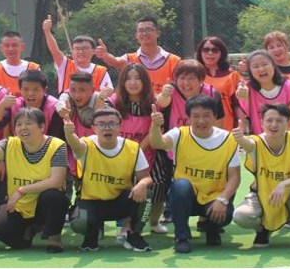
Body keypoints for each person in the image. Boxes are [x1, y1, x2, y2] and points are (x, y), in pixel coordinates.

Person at [0, 107, 70, 252]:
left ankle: (54, 239)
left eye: (28, 123)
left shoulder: (57, 145)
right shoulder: (9, 144)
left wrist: (22, 190)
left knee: (53, 196)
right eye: (19, 124)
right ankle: (26, 234)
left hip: (43, 204)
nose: (23, 128)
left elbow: (56, 181)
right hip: (18, 205)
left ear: (42, 127)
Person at [150, 94, 240, 254]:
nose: (201, 121)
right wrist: (156, 126)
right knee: (181, 186)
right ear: (189, 117)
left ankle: (212, 228)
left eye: (206, 116)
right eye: (196, 116)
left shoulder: (229, 139)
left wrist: (222, 200)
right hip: (185, 197)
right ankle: (182, 237)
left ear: (215, 116)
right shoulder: (179, 134)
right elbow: (157, 143)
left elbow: (235, 176)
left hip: (213, 197)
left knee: (225, 214)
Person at [233, 103, 290, 250]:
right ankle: (262, 229)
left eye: (279, 120)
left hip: (288, 195)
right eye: (269, 120)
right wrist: (240, 138)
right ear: (262, 123)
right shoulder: (256, 142)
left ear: (288, 123)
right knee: (241, 216)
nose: (274, 124)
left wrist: (283, 184)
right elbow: (248, 144)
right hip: (261, 197)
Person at [65, 107, 153, 252]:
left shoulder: (132, 148)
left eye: (112, 123)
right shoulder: (86, 145)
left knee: (147, 194)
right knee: (80, 222)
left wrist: (142, 184)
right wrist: (69, 134)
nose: (107, 128)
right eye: (101, 124)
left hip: (120, 201)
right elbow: (76, 145)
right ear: (93, 128)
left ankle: (133, 234)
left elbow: (146, 178)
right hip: (91, 202)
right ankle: (91, 235)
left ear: (120, 126)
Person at [110, 64, 166, 236]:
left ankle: (154, 222)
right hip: (120, 155)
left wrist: (137, 151)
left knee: (157, 186)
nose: (133, 83)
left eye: (137, 78)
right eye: (128, 78)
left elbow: (156, 129)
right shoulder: (114, 101)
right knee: (126, 189)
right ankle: (126, 225)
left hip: (149, 152)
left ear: (145, 81)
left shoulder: (154, 103)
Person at [97, 17, 181, 96]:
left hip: (165, 105)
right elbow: (116, 62)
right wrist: (105, 55)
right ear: (136, 35)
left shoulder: (174, 61)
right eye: (141, 31)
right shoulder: (130, 58)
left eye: (148, 30)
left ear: (158, 33)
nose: (144, 33)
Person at [43, 15, 113, 95]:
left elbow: (109, 91)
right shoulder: (65, 65)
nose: (81, 52)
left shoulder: (101, 71)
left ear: (93, 51)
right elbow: (55, 52)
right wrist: (47, 32)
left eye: (85, 48)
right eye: (77, 49)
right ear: (72, 51)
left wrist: (105, 92)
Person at [237, 49, 290, 134]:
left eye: (265, 64)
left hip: (286, 137)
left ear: (273, 65)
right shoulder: (247, 89)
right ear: (250, 71)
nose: (261, 69)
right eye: (255, 66)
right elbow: (240, 93)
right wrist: (241, 95)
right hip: (259, 139)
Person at [0, 68, 63, 138]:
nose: (30, 93)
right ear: (20, 90)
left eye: (36, 89)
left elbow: (57, 137)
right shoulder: (15, 104)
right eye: (26, 89)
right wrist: (1, 105)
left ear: (44, 90)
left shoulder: (54, 107)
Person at [157, 59, 225, 129]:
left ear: (201, 80)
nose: (186, 83)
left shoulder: (212, 93)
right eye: (182, 78)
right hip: (174, 135)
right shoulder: (171, 90)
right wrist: (164, 95)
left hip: (203, 135)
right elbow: (162, 103)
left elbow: (218, 124)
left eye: (191, 78)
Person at [195, 37, 242, 130]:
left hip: (226, 128)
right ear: (200, 52)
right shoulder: (194, 74)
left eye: (215, 50)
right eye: (206, 50)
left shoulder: (232, 76)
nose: (210, 53)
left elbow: (238, 105)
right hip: (198, 127)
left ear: (222, 53)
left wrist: (242, 126)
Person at [0, 31, 40, 96]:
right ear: (1, 48)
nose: (10, 49)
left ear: (22, 46)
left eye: (14, 45)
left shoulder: (33, 68)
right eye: (6, 45)